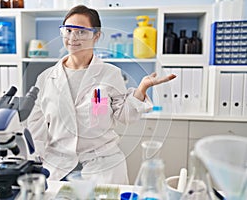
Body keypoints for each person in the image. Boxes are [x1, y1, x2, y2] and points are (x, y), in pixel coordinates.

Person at [27, 5, 176, 184]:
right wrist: (34, 159)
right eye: (68, 30)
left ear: (96, 35)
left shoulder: (110, 74)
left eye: (81, 32)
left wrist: (141, 89)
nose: (73, 37)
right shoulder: (46, 78)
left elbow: (124, 116)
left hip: (102, 165)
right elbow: (36, 124)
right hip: (57, 165)